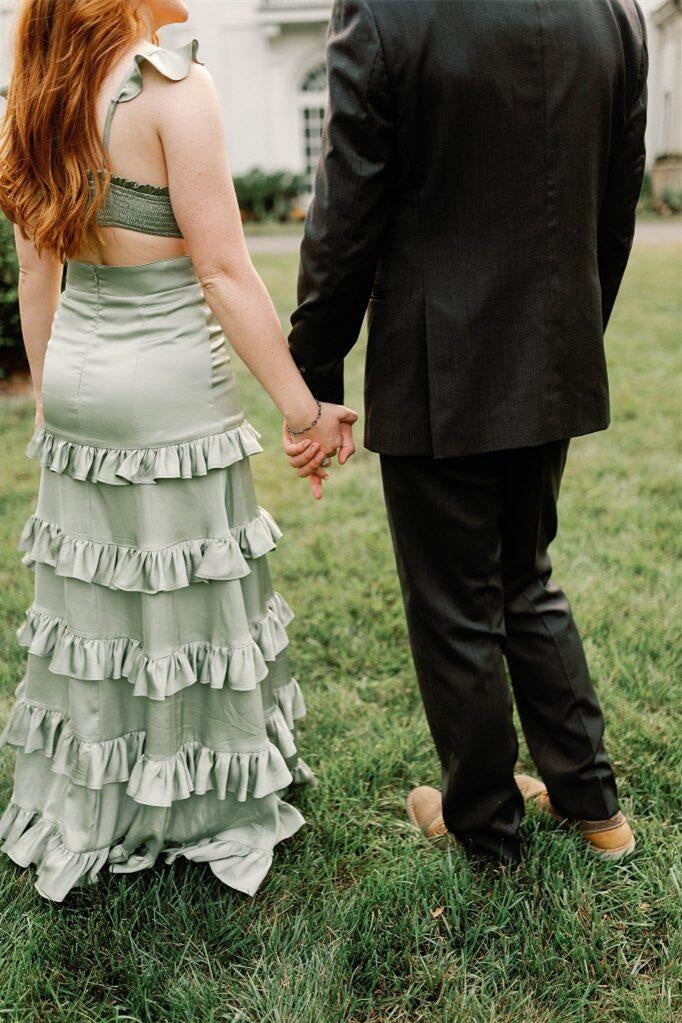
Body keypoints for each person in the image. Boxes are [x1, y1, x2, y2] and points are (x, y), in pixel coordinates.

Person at [0, 0, 357, 902]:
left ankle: (104, 793)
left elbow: (38, 271)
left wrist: (53, 401)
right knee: (184, 587)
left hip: (78, 371)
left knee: (100, 605)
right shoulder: (174, 85)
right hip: (168, 380)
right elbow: (224, 271)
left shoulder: (38, 94)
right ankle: (192, 802)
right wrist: (302, 406)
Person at [287, 0, 648, 863]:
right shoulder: (612, 10)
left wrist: (314, 368)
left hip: (435, 358)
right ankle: (597, 809)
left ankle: (485, 823)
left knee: (454, 606)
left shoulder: (384, 10)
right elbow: (619, 192)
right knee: (525, 575)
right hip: (553, 345)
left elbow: (347, 206)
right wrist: (572, 328)